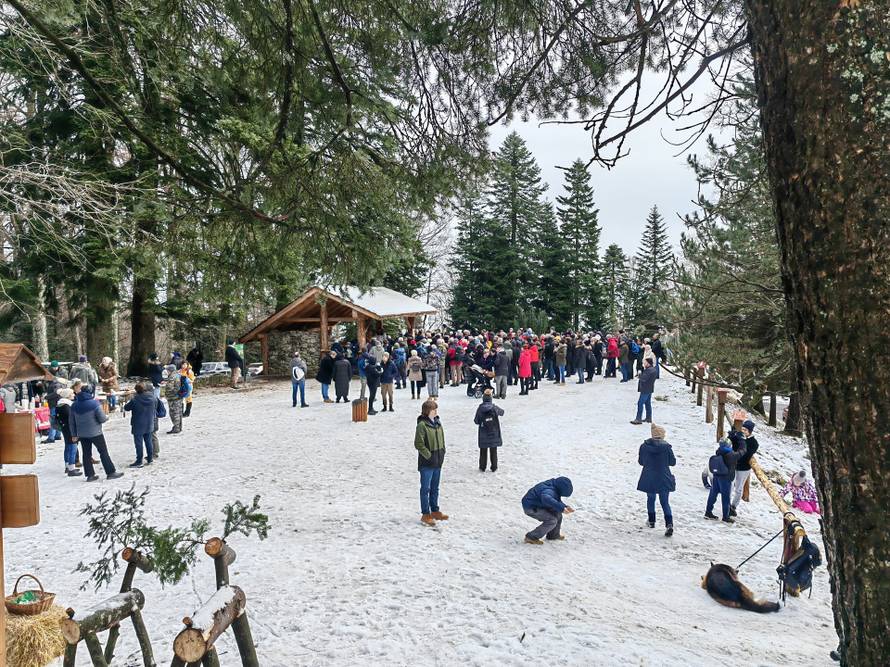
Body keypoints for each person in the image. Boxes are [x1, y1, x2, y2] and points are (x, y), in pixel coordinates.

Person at [70, 386, 123, 482]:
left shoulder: (74, 405)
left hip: (82, 434)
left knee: (86, 454)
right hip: (95, 433)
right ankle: (110, 472)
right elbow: (102, 418)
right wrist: (107, 417)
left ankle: (90, 475)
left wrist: (74, 434)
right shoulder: (94, 403)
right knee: (103, 452)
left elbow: (71, 421)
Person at [637, 423, 676, 536]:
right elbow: (672, 462)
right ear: (662, 436)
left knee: (651, 498)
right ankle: (669, 524)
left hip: (649, 476)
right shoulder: (666, 447)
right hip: (664, 477)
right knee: (665, 502)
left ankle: (651, 520)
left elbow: (641, 462)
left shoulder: (644, 446)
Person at [414, 399, 447, 526]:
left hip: (438, 461)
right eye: (434, 410)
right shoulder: (422, 425)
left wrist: (442, 451)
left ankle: (435, 510)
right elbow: (418, 443)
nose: (436, 412)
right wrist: (428, 455)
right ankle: (425, 514)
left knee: (435, 488)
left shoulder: (438, 423)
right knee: (425, 489)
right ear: (428, 411)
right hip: (427, 464)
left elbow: (442, 439)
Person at [705, 436, 746, 523]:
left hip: (716, 476)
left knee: (713, 494)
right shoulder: (731, 455)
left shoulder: (719, 451)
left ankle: (708, 512)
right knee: (726, 498)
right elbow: (742, 452)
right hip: (726, 478)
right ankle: (725, 516)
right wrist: (742, 441)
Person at [521, 477, 574, 544]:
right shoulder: (549, 490)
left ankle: (553, 535)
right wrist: (561, 508)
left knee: (558, 514)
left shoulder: (553, 485)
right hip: (531, 507)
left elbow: (554, 499)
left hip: (539, 504)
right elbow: (546, 498)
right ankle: (531, 537)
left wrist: (564, 506)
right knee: (551, 520)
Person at [124, 382, 164, 468]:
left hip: (138, 424)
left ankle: (139, 461)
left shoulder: (135, 399)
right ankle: (150, 459)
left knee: (138, 443)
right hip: (149, 422)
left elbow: (126, 408)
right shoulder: (153, 397)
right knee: (148, 441)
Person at [730, 419, 759, 516]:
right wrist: (733, 436)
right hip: (733, 465)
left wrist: (742, 441)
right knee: (730, 485)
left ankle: (733, 506)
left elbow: (746, 454)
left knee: (738, 489)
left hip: (743, 468)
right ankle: (727, 504)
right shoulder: (739, 437)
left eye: (745, 430)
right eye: (742, 429)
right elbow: (733, 446)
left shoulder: (753, 443)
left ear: (750, 432)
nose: (743, 431)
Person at [474, 389, 503, 472]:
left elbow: (476, 421)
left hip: (483, 433)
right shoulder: (494, 407)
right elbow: (502, 412)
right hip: (493, 432)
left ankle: (482, 467)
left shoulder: (480, 408)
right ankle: (494, 466)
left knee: (483, 450)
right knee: (493, 450)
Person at [55, 388, 81, 476]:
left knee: (67, 447)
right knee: (73, 447)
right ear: (68, 395)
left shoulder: (59, 404)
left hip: (64, 428)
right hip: (70, 429)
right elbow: (72, 418)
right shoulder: (67, 406)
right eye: (72, 394)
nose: (73, 395)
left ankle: (67, 466)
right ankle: (71, 468)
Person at [630, 358, 657, 425]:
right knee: (647, 403)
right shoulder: (652, 369)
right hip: (649, 389)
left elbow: (644, 378)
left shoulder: (649, 370)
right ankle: (648, 417)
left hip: (645, 389)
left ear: (648, 363)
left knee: (640, 403)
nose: (643, 364)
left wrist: (639, 375)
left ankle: (638, 418)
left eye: (645, 362)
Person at [165, 369, 187, 434]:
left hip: (173, 398)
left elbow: (169, 388)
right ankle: (179, 427)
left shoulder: (172, 377)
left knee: (174, 413)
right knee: (179, 412)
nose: (167, 372)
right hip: (180, 396)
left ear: (170, 370)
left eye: (167, 370)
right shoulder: (178, 375)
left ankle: (176, 428)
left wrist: (167, 394)